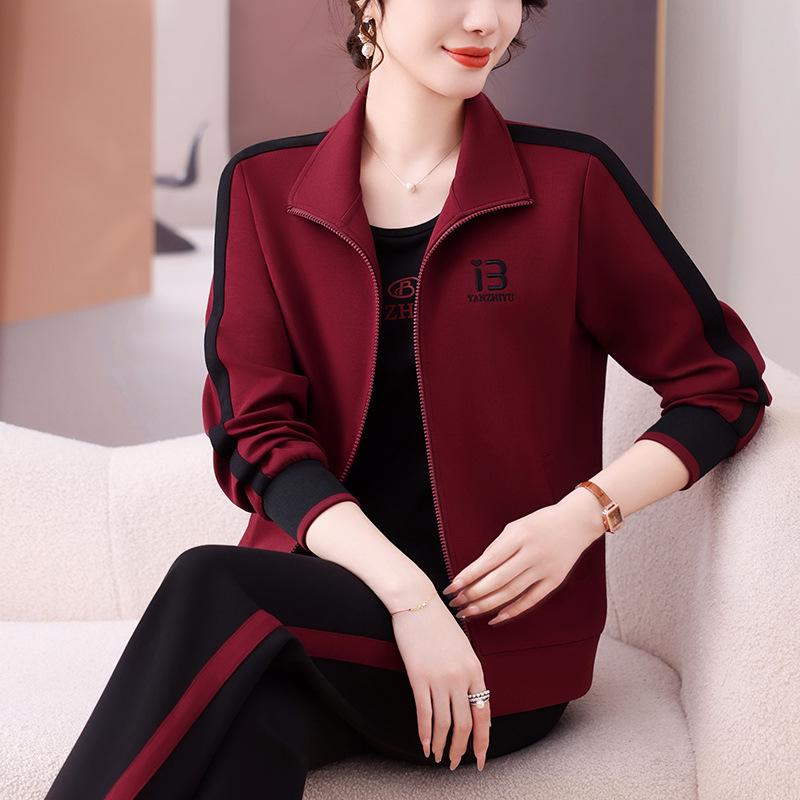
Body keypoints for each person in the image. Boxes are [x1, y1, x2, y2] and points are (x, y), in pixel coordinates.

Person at [45, 0, 772, 797]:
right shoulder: (264, 188)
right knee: (249, 735)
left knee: (213, 584)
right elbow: (254, 433)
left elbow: (723, 385)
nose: (483, 19)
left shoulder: (573, 183)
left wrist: (581, 516)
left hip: (495, 649)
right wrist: (408, 598)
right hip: (328, 611)